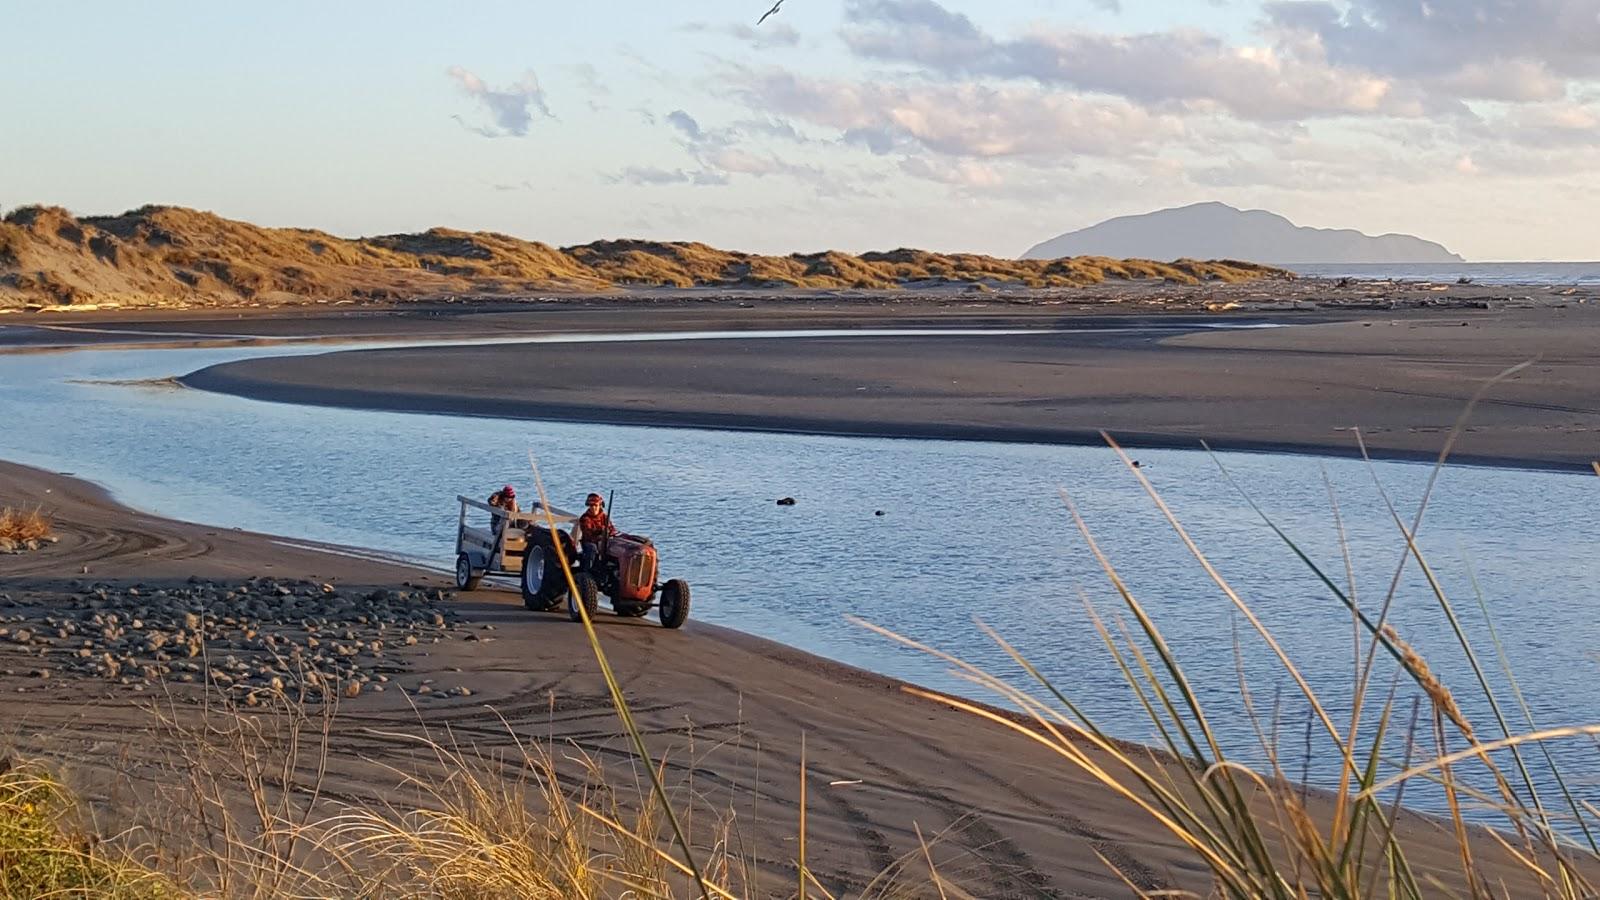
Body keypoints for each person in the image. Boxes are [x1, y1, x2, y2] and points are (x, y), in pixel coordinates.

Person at [570, 492, 616, 570]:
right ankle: (588, 570)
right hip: (589, 543)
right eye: (591, 505)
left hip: (604, 541)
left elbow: (612, 529)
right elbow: (588, 533)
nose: (593, 508)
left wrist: (609, 533)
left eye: (596, 505)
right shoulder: (585, 518)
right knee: (592, 548)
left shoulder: (604, 517)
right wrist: (601, 531)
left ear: (600, 505)